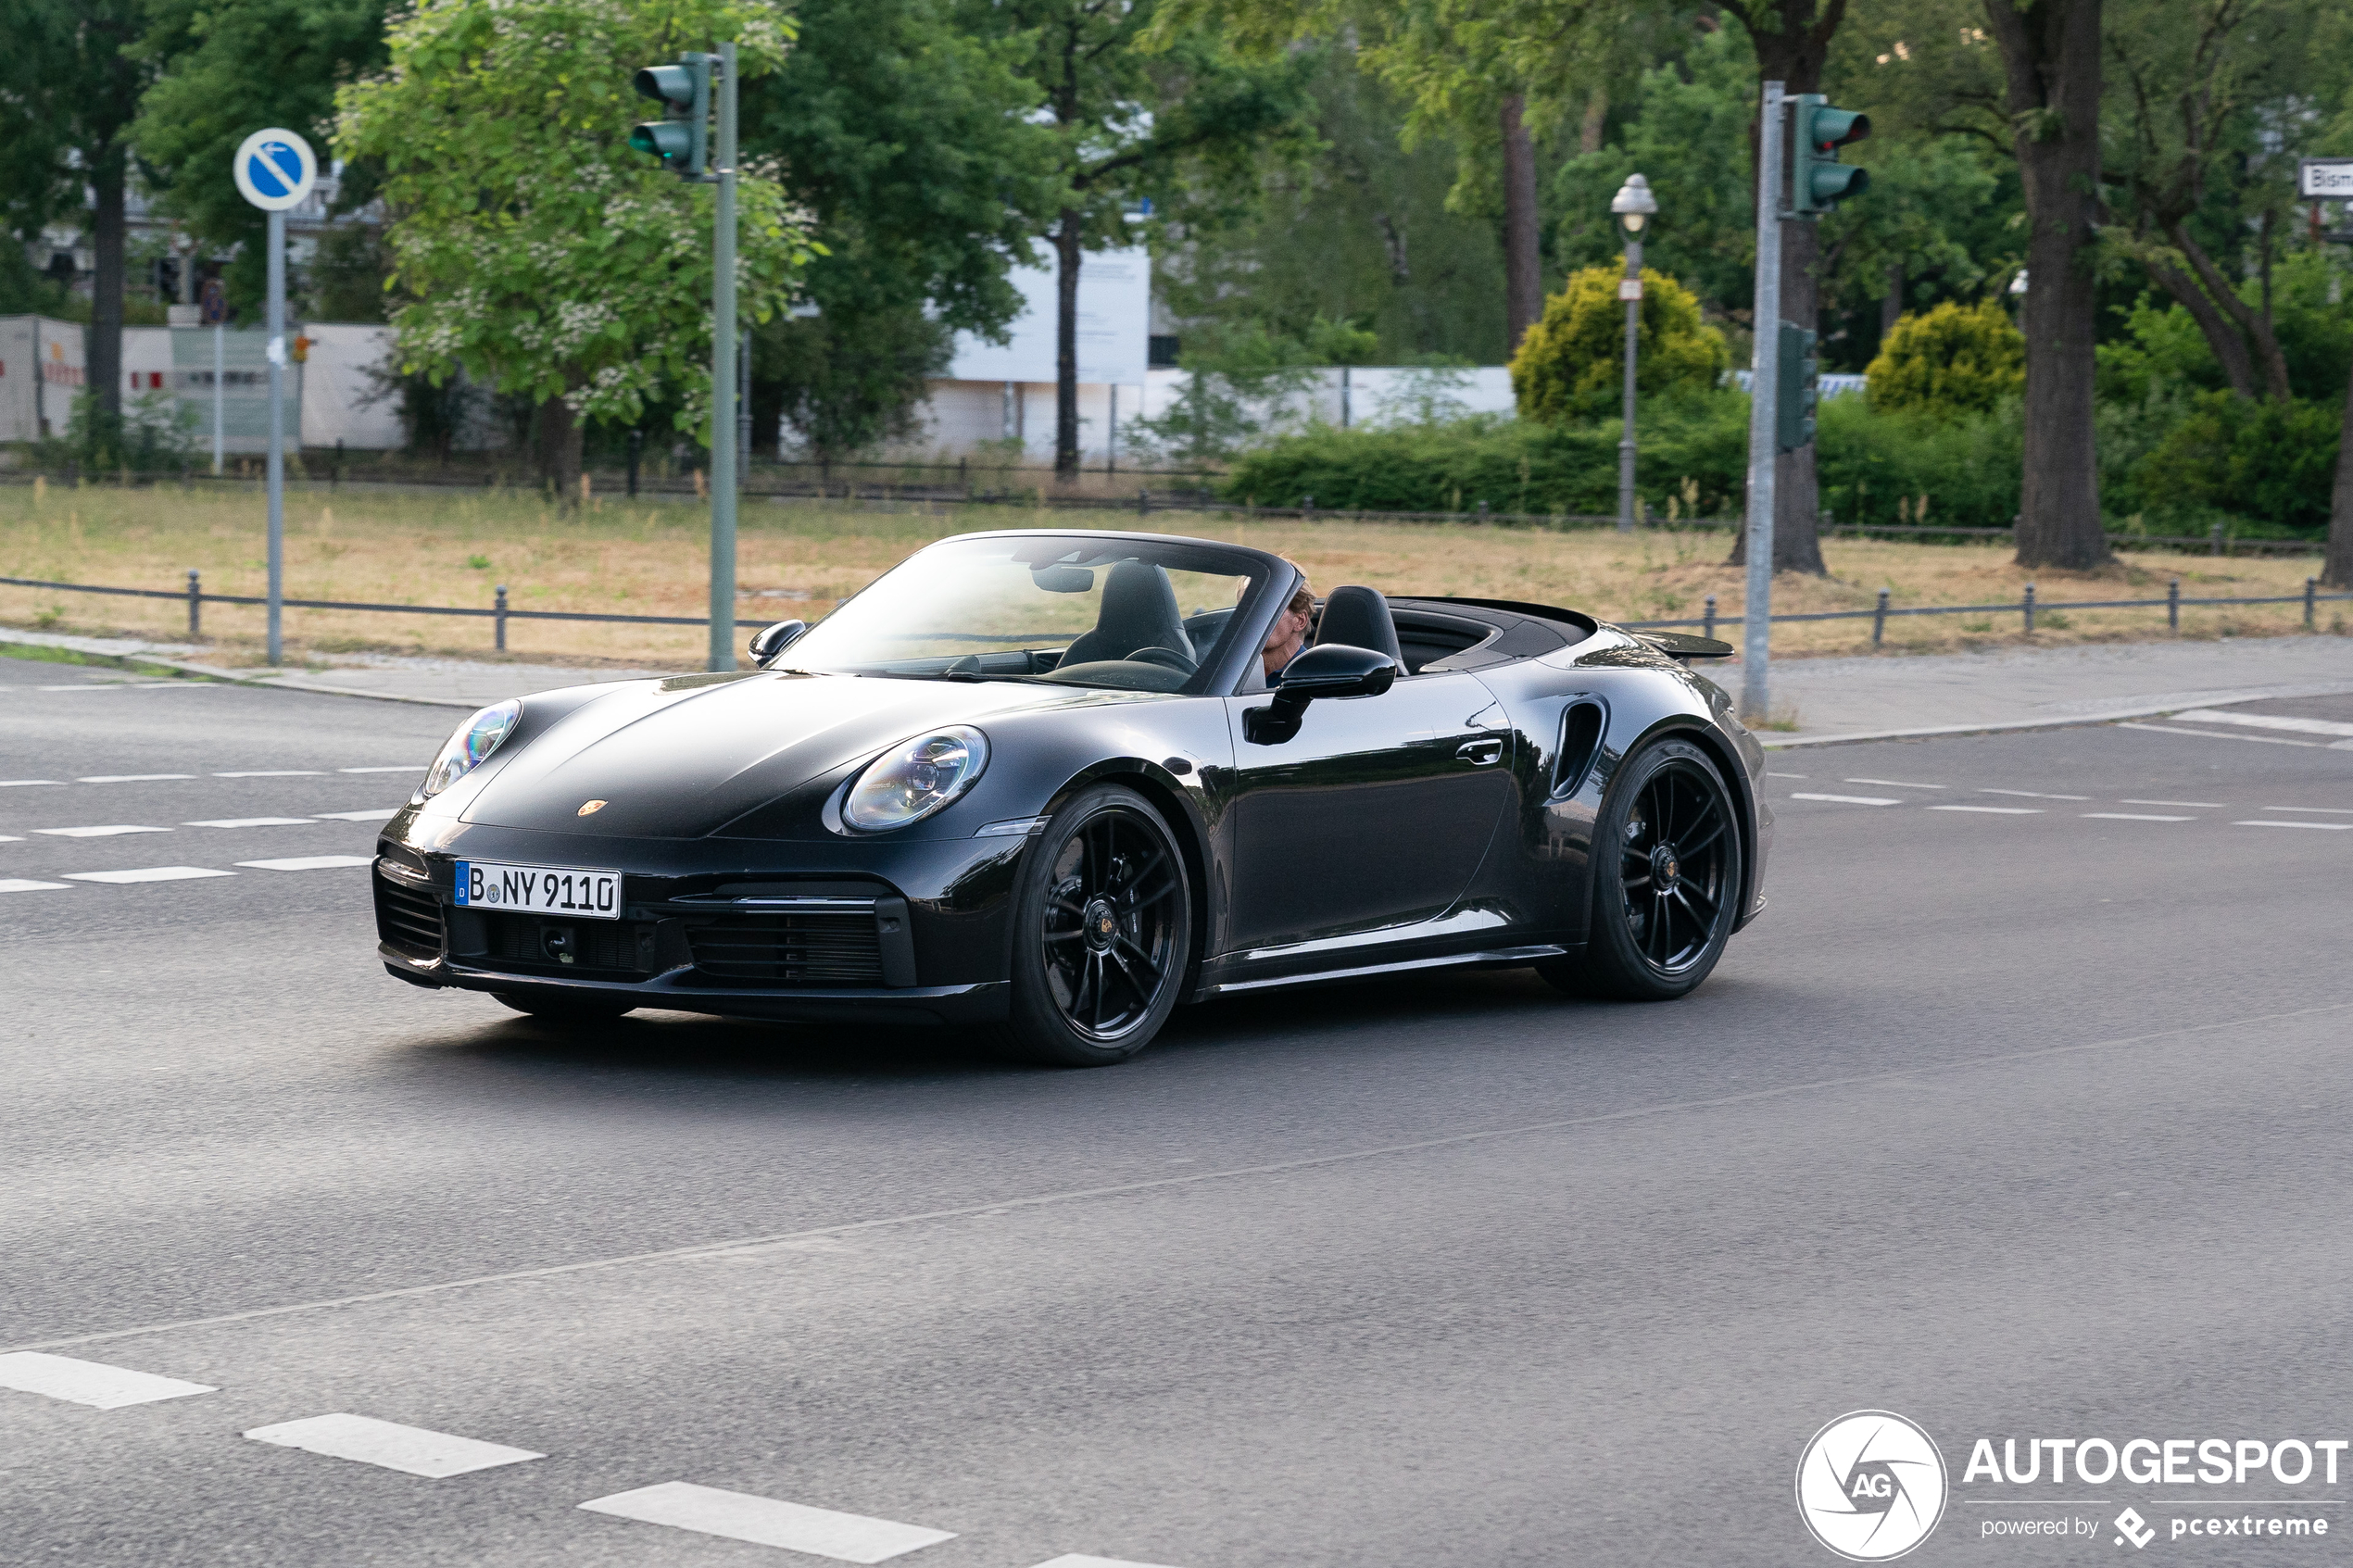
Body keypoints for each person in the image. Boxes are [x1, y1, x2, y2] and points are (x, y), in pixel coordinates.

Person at [1261, 576, 1315, 682]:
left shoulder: (1310, 677)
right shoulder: (1231, 671)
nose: (1258, 615)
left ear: (1300, 620)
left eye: (1270, 608)